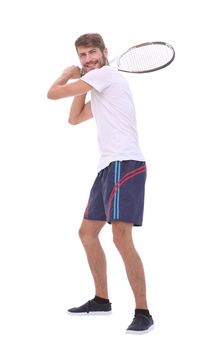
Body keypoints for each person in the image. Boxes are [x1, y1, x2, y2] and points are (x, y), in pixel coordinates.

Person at [47, 33, 154, 334]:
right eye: (82, 56)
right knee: (87, 233)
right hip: (107, 167)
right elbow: (75, 117)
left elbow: (53, 94)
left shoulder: (107, 75)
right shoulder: (101, 85)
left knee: (121, 238)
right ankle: (101, 300)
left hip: (126, 164)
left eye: (92, 53)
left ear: (105, 52)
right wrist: (80, 84)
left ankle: (144, 312)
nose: (87, 59)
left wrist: (66, 75)